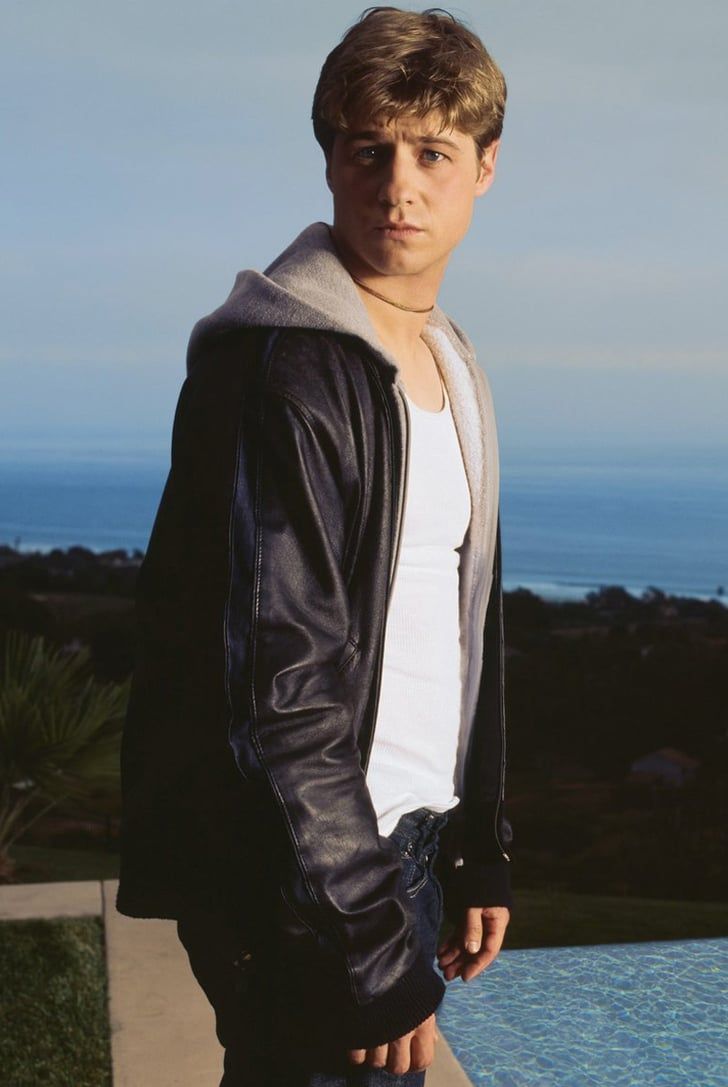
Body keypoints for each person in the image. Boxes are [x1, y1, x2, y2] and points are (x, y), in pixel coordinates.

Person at [116, 6, 513, 1084]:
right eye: (366, 149)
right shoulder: (279, 370)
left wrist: (472, 843)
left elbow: (463, 623)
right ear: (329, 158)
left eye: (431, 152)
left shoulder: (444, 361)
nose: (398, 184)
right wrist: (359, 938)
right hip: (306, 872)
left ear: (484, 166)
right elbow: (274, 688)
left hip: (398, 847)